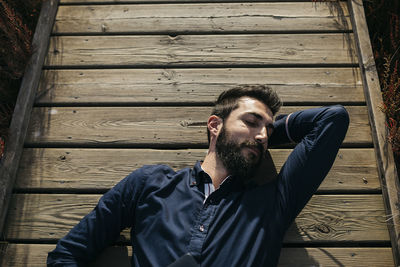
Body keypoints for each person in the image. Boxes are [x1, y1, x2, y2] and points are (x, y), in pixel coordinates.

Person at [47, 84, 349, 266]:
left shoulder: (273, 204)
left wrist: (265, 131)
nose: (261, 137)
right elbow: (66, 256)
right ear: (214, 125)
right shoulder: (150, 184)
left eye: (267, 130)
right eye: (251, 122)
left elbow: (332, 119)